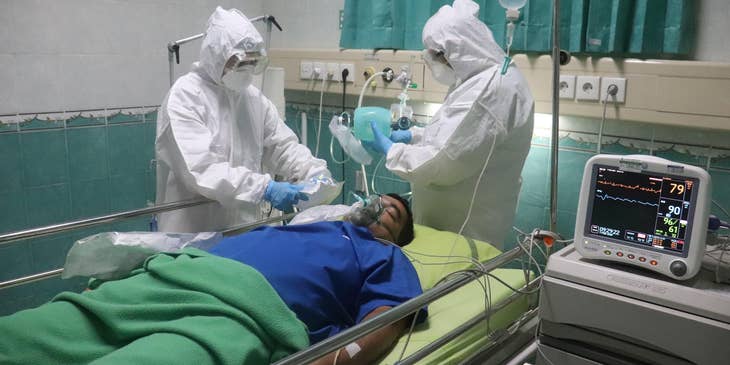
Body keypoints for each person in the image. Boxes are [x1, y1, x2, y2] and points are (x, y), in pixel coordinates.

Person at [0, 194, 425, 365]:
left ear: (398, 235)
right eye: (378, 199)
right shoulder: (311, 223)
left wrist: (331, 360)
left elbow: (390, 317)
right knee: (24, 334)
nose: (379, 206)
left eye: (393, 211)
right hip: (172, 276)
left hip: (238, 314)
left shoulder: (385, 255)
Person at [367, 0, 534, 249]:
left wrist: (392, 151)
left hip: (465, 233)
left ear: (457, 50)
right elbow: (455, 138)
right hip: (446, 229)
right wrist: (413, 137)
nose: (434, 61)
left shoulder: (491, 90)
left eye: (436, 55)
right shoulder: (476, 80)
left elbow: (443, 161)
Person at [156, 7, 333, 233]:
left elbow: (283, 146)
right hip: (194, 235)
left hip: (244, 231)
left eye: (252, 62)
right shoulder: (185, 97)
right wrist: (264, 188)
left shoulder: (253, 100)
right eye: (239, 62)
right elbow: (202, 170)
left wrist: (312, 172)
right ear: (217, 55)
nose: (246, 70)